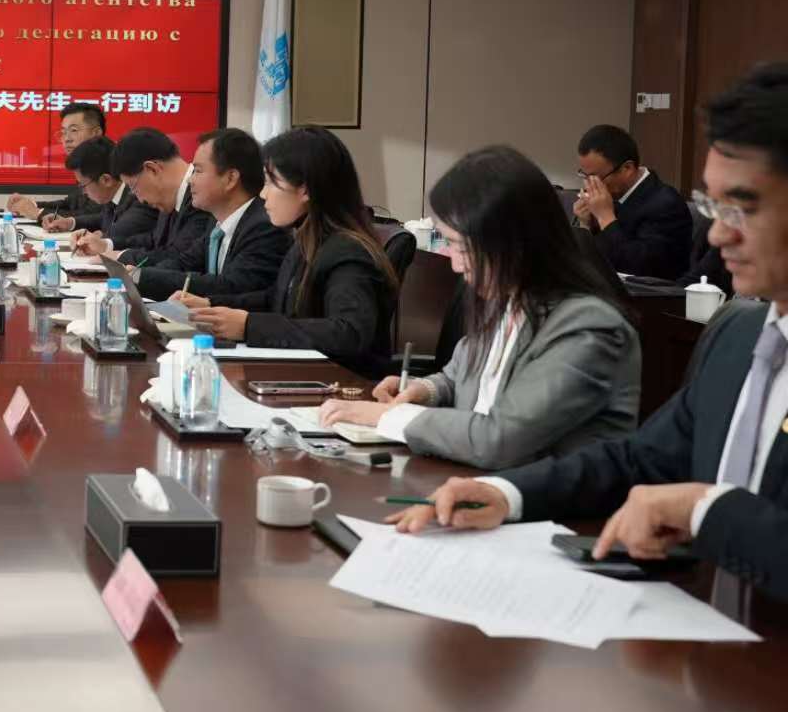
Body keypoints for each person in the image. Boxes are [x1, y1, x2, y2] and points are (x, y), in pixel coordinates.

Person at [396, 63, 788, 599]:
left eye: (742, 208)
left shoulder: (590, 321)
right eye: (712, 207)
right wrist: (506, 492)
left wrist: (706, 509)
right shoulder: (739, 338)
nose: (718, 235)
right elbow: (639, 459)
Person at [316, 145, 640, 470]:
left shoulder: (589, 329)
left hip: (539, 498)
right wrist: (423, 389)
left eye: (462, 247)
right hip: (471, 480)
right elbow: (459, 375)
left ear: (513, 243)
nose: (456, 265)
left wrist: (391, 417)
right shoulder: (505, 300)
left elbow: (500, 439)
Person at [178, 126, 399, 377]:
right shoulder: (307, 239)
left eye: (271, 182)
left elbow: (348, 332)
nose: (263, 194)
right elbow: (278, 299)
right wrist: (212, 305)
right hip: (306, 378)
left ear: (305, 190)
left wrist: (249, 326)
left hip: (344, 386)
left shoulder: (348, 252)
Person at [134, 127, 290, 302]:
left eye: (198, 171)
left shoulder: (264, 227)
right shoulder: (216, 223)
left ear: (230, 179)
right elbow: (183, 263)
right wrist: (137, 274)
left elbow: (231, 286)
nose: (190, 180)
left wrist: (140, 277)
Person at [74, 125, 210, 269]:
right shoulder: (170, 197)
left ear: (152, 170)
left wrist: (120, 256)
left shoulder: (202, 197)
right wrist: (105, 245)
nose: (140, 200)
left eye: (133, 187)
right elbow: (153, 240)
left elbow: (179, 257)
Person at [574, 123, 694, 280]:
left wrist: (605, 218)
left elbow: (637, 267)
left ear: (627, 169)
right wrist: (586, 225)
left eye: (595, 178)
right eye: (585, 176)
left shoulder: (666, 204)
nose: (589, 185)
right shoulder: (608, 197)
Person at [8, 101, 105, 231]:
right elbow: (70, 204)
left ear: (96, 133)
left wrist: (38, 212)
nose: (67, 139)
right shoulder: (83, 165)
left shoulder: (108, 167)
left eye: (74, 130)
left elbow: (93, 216)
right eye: (64, 132)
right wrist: (31, 204)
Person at [62, 135, 157, 250]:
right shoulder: (113, 196)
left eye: (83, 185)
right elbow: (102, 219)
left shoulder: (139, 198)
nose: (83, 192)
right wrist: (70, 222)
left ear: (106, 180)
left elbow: (118, 233)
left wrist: (97, 237)